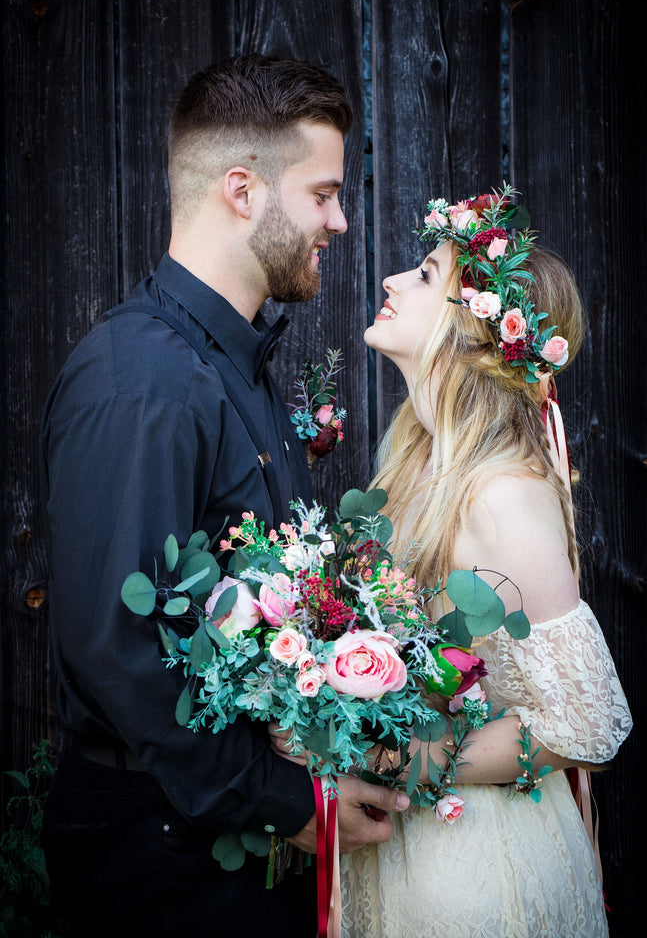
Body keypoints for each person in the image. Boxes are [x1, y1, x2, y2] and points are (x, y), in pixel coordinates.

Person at [39, 54, 409, 938]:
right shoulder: (143, 380)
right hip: (158, 855)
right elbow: (114, 644)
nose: (341, 220)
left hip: (215, 843)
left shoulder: (229, 368)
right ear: (242, 190)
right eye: (322, 193)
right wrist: (289, 804)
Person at [338, 188, 633, 937]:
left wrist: (412, 760)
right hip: (402, 855)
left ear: (474, 331)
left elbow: (588, 725)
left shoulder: (499, 495)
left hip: (479, 874)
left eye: (425, 275)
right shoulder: (410, 470)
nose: (392, 282)